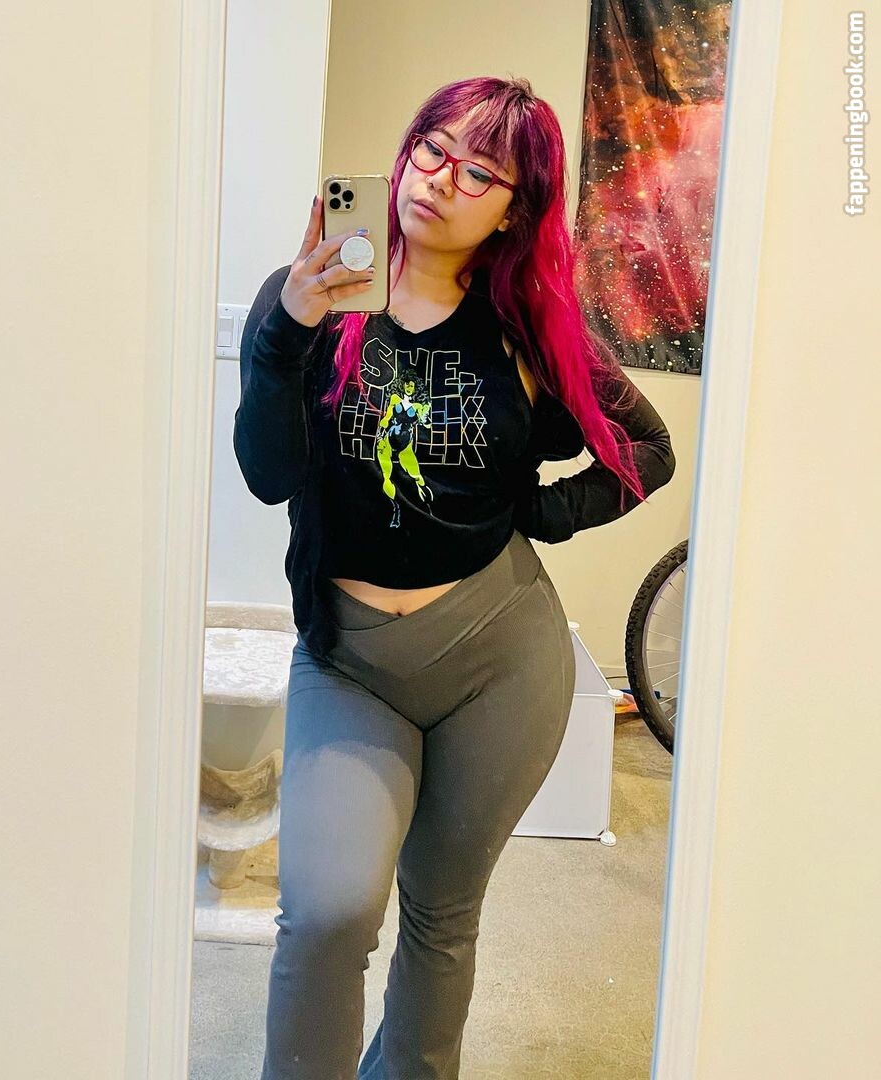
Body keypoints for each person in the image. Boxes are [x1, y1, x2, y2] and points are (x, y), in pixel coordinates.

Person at [234, 75, 676, 1080]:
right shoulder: (313, 302)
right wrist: (284, 332)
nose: (440, 178)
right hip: (349, 662)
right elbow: (266, 474)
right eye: (433, 148)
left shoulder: (529, 329)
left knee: (442, 915)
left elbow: (646, 449)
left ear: (513, 210)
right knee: (328, 913)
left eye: (480, 172)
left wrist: (546, 514)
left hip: (499, 663)